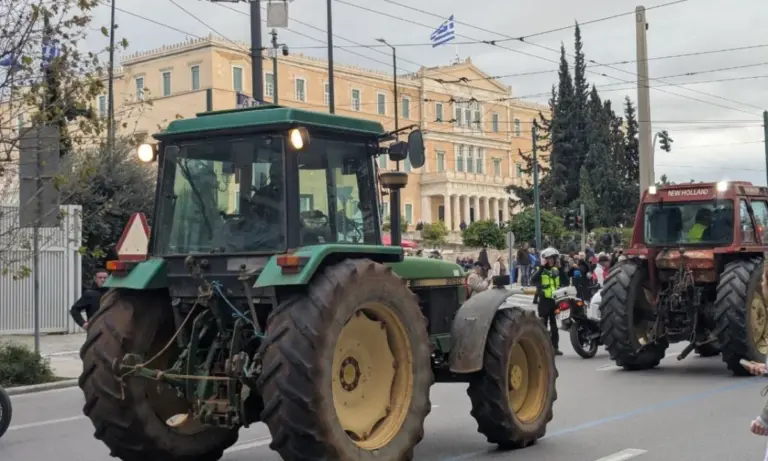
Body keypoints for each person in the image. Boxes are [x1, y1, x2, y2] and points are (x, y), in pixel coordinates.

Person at [531, 247, 562, 355]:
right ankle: (542, 348)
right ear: (545, 259)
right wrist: (540, 268)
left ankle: (555, 347)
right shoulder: (540, 270)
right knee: (543, 325)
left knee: (554, 326)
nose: (551, 260)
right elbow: (532, 280)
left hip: (554, 301)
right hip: (544, 301)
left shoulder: (555, 270)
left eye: (552, 258)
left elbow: (564, 281)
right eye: (549, 258)